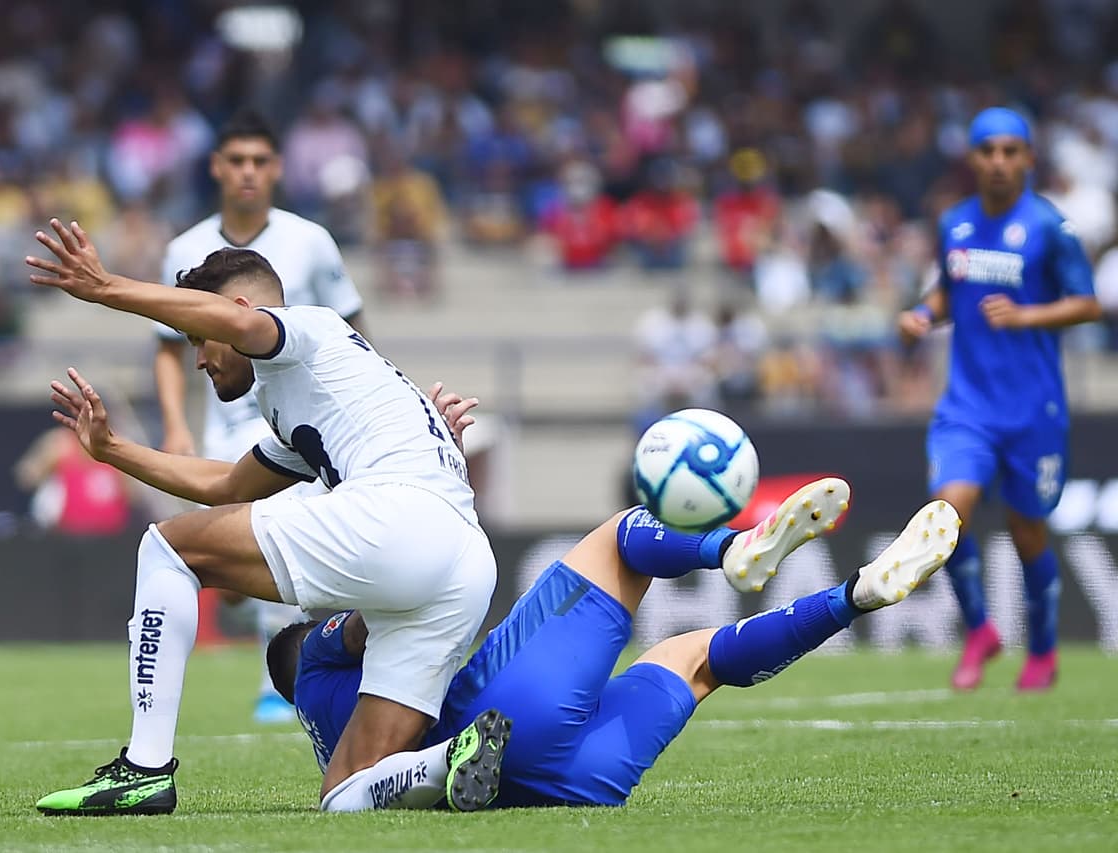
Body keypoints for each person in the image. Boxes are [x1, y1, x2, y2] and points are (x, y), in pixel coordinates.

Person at [26, 228, 502, 814]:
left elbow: (248, 329)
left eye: (201, 338)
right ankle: (446, 758)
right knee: (345, 794)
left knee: (166, 549)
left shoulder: (311, 327)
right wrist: (113, 449)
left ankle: (143, 769)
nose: (199, 356)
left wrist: (106, 288)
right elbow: (226, 486)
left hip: (398, 517)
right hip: (465, 563)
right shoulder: (309, 396)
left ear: (238, 315)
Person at [269, 474, 960, 808]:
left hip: (563, 786)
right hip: (505, 715)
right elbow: (389, 607)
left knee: (695, 658)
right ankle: (736, 549)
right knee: (621, 539)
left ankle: (856, 592)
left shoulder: (335, 740)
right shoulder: (317, 656)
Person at [153, 109, 367, 724]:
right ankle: (285, 649)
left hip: (289, 426)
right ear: (217, 168)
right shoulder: (186, 249)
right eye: (236, 160)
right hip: (222, 426)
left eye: (259, 161)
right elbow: (169, 349)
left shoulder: (309, 242)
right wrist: (174, 424)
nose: (248, 172)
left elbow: (351, 330)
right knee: (237, 563)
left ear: (275, 168)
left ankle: (280, 685)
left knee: (274, 530)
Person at [897, 107, 1102, 692]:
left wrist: (1027, 314)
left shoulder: (1049, 228)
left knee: (1027, 533)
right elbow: (946, 292)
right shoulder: (955, 223)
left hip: (1033, 412)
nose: (999, 162)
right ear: (973, 158)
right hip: (967, 407)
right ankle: (980, 630)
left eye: (1011, 151)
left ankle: (1042, 651)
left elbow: (1087, 303)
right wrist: (921, 315)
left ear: (1029, 159)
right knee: (946, 516)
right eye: (988, 151)